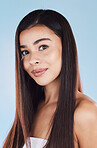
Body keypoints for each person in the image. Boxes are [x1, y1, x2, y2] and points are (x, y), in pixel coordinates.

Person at [3, 9, 97, 148]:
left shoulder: (85, 113)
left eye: (43, 47)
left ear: (65, 48)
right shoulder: (30, 109)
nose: (33, 60)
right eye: (25, 52)